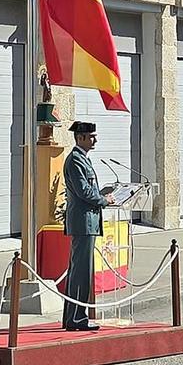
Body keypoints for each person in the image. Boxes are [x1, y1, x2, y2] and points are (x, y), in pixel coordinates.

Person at [61, 120, 108, 331]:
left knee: (79, 272)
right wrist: (105, 200)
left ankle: (72, 317)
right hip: (83, 222)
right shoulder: (75, 160)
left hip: (88, 221)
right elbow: (84, 192)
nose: (95, 139)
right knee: (80, 273)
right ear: (80, 138)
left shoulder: (82, 159)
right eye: (91, 137)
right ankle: (77, 319)